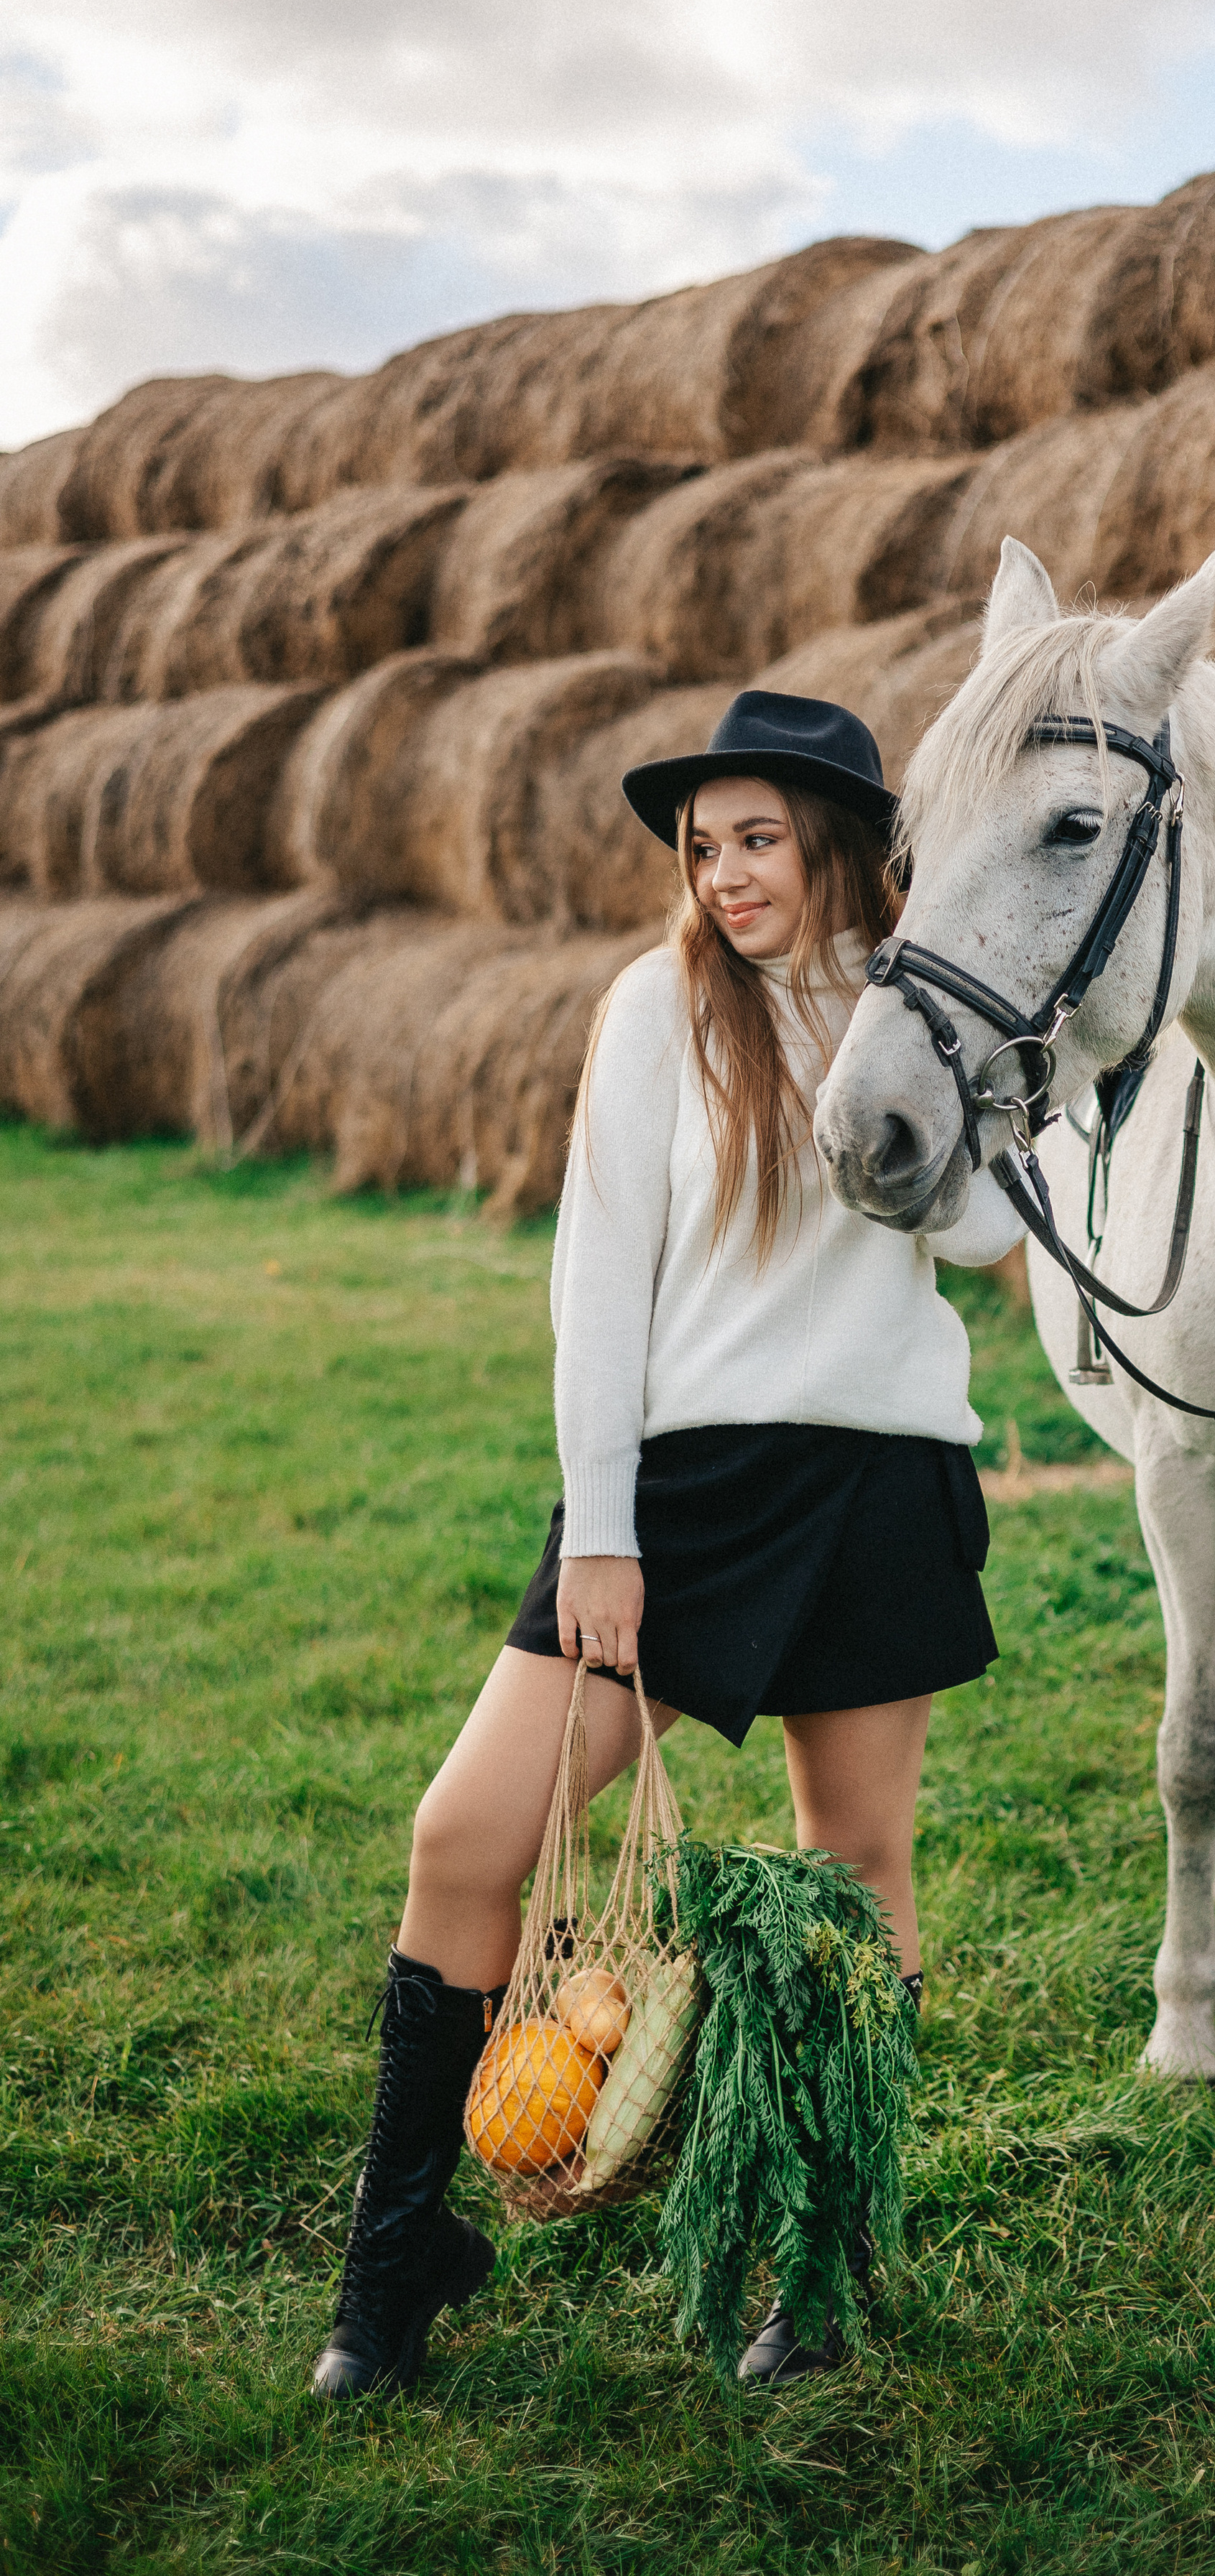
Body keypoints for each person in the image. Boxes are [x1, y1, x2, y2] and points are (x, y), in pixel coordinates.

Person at [310, 690, 1020, 2401]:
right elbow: (597, 1287)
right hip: (680, 1500)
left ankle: (821, 2271)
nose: (723, 876)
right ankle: (400, 2257)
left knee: (855, 1875)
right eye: (703, 849)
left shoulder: (920, 1003)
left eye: (756, 840)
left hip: (874, 1483)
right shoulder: (656, 1007)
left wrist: (986, 1080)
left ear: (838, 845)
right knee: (465, 1837)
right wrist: (605, 1532)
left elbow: (986, 1230)